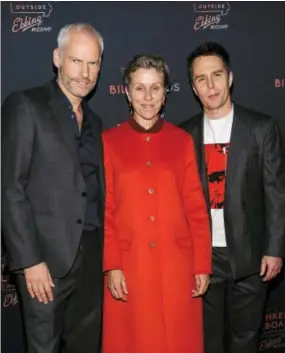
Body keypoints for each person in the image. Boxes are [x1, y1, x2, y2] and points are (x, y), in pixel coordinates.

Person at [2, 23, 105, 353]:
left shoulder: (95, 121)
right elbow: (10, 188)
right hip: (44, 262)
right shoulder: (26, 106)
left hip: (91, 258)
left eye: (93, 64)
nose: (85, 73)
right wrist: (29, 261)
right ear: (57, 58)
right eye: (77, 61)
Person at [179, 41, 285, 353]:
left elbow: (276, 193)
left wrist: (275, 249)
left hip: (250, 255)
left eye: (216, 75)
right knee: (208, 343)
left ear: (230, 77)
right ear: (193, 88)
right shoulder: (183, 135)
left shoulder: (261, 129)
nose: (210, 85)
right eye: (201, 79)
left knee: (245, 341)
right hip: (202, 257)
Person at [102, 54, 212, 353]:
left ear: (166, 93)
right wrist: (112, 264)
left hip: (178, 266)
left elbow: (195, 207)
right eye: (140, 88)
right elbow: (106, 208)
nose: (147, 97)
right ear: (127, 92)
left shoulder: (182, 140)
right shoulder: (109, 141)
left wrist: (201, 263)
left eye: (155, 88)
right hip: (129, 267)